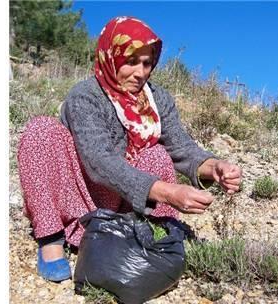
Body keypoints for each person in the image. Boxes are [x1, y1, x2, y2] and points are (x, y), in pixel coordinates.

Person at [17, 16, 242, 282]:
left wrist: (213, 166)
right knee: (41, 130)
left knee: (156, 153)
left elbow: (180, 147)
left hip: (124, 200)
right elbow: (98, 160)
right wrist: (168, 192)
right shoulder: (86, 96)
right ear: (111, 57)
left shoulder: (157, 99)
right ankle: (51, 238)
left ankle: (141, 233)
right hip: (79, 189)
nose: (141, 72)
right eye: (131, 62)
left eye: (147, 63)